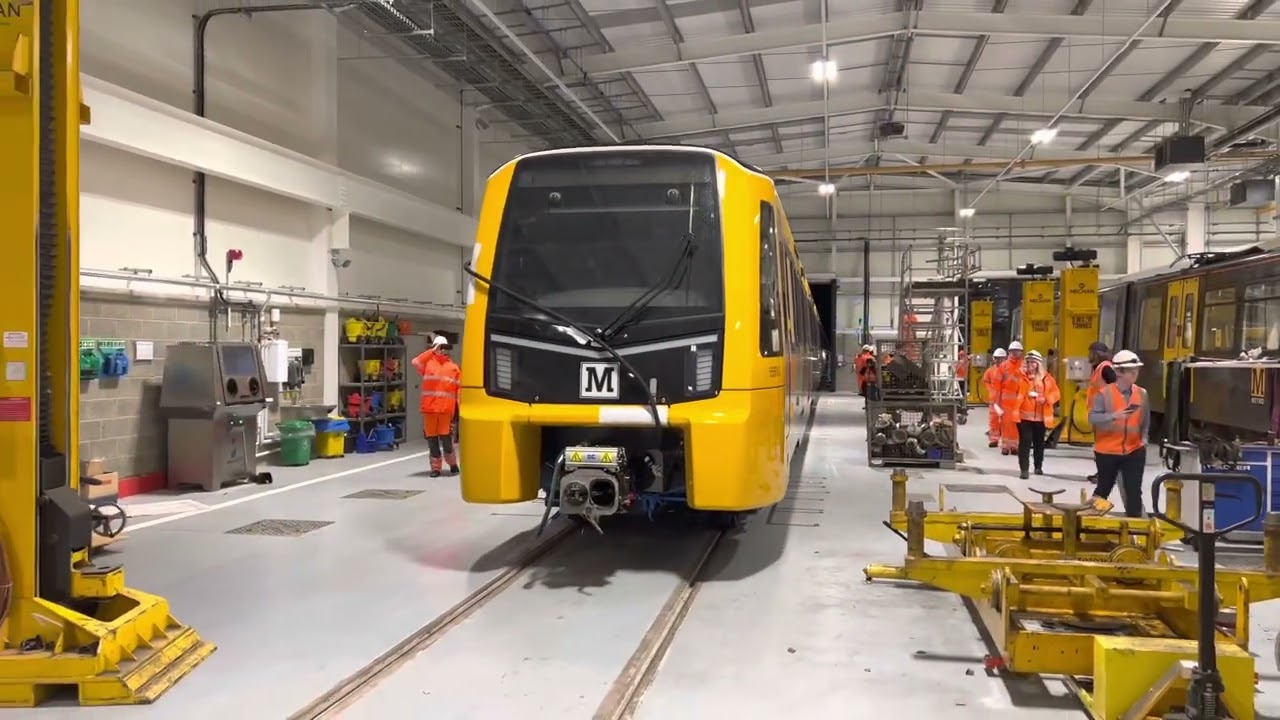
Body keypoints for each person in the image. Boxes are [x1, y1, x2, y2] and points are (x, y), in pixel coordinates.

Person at [1087, 350, 1149, 517]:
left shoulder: (1142, 394)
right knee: (1103, 489)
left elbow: (1145, 421)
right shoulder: (1104, 394)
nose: (1135, 374)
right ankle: (1089, 521)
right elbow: (1092, 418)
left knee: (1134, 491)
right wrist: (1114, 416)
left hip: (1134, 451)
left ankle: (1135, 526)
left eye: (1136, 370)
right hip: (1107, 452)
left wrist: (1143, 441)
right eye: (1131, 371)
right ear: (1119, 372)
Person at [411, 334, 461, 477]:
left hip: (445, 410)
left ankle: (452, 464)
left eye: (444, 347)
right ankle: (436, 468)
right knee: (432, 441)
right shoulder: (427, 364)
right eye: (439, 347)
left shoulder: (453, 368)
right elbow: (415, 362)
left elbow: (459, 391)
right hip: (429, 409)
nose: (442, 350)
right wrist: (432, 351)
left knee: (447, 441)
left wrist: (458, 411)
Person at [1014, 350, 1060, 479]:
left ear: (1038, 364)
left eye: (1033, 362)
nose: (1030, 365)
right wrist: (1020, 373)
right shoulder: (1021, 377)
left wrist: (1046, 399)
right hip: (1024, 417)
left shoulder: (1047, 378)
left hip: (1041, 417)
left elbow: (1056, 394)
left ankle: (1038, 466)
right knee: (1025, 442)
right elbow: (1012, 387)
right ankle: (1024, 469)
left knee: (1039, 443)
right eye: (1028, 362)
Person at [1084, 341, 1117, 484]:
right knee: (1101, 446)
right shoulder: (1098, 368)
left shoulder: (1105, 368)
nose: (1088, 355)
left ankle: (1105, 475)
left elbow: (1116, 387)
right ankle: (1102, 473)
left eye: (1090, 352)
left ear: (1096, 353)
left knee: (1105, 446)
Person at [995, 341, 1026, 455]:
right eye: (1012, 351)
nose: (1014, 353)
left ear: (1021, 352)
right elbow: (997, 383)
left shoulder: (1024, 365)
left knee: (1017, 424)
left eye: (1017, 351)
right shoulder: (1004, 366)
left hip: (1021, 400)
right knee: (1005, 423)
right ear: (1009, 352)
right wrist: (996, 400)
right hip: (1006, 401)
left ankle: (1014, 446)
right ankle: (1005, 446)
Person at [982, 348, 1007, 448]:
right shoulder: (990, 371)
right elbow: (985, 381)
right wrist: (991, 390)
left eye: (1001, 358)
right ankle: (994, 439)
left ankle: (1005, 440)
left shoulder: (1009, 370)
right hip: (994, 400)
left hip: (1006, 400)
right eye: (997, 358)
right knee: (993, 421)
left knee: (1006, 421)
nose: (998, 360)